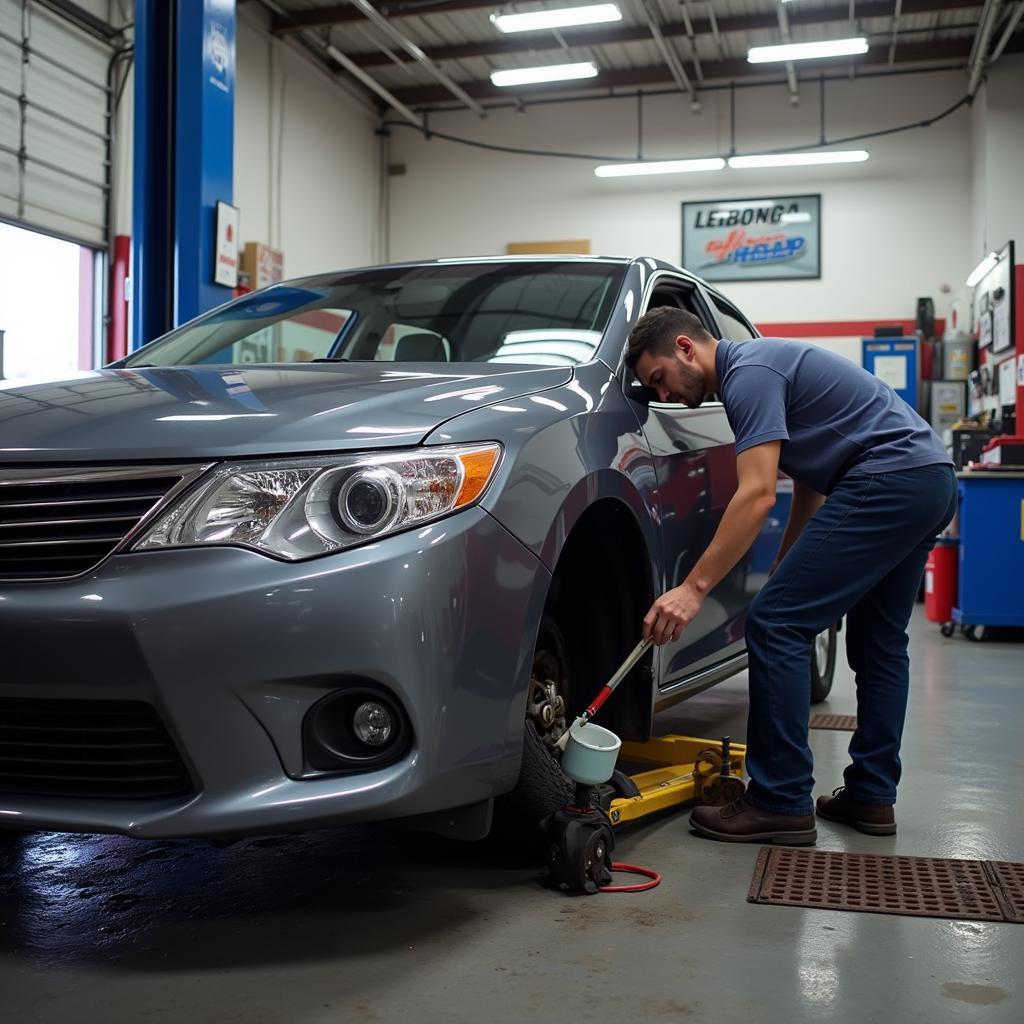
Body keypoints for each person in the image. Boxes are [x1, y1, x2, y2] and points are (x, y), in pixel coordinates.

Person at [626, 307, 956, 845]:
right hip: (927, 479)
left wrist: (692, 589)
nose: (661, 395)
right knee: (879, 643)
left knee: (775, 623)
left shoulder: (747, 377)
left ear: (685, 347)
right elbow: (811, 479)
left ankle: (779, 800)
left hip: (888, 480)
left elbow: (755, 495)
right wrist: (788, 562)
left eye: (658, 379)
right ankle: (872, 796)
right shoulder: (767, 364)